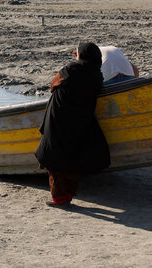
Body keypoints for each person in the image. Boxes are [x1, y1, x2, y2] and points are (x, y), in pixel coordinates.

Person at [35, 42, 111, 206]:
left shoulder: (71, 70)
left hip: (60, 118)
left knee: (54, 157)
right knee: (73, 157)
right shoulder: (97, 76)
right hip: (81, 120)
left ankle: (59, 198)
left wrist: (75, 61)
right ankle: (68, 195)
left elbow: (54, 84)